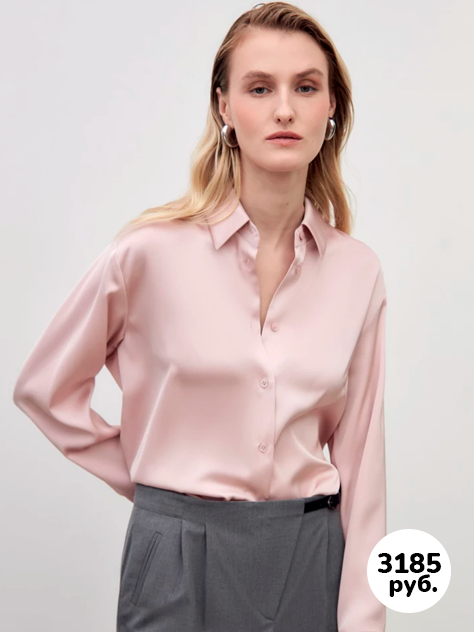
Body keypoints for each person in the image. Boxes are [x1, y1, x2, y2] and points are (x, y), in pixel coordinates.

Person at [12, 2, 388, 631]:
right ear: (224, 108)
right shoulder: (148, 253)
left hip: (310, 556)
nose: (284, 109)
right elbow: (44, 389)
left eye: (305, 87)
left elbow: (363, 462)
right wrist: (153, 485)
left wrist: (365, 618)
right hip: (176, 556)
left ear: (331, 108)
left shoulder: (358, 271)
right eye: (259, 88)